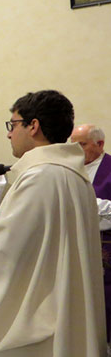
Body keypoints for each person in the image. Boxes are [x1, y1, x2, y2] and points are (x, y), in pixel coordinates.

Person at [0, 91, 107, 357]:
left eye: (13, 123)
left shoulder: (39, 177)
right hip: (65, 304)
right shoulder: (75, 176)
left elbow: (8, 252)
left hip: (37, 329)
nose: (8, 132)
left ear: (33, 126)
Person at [70, 123, 111, 340]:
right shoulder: (66, 170)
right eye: (72, 145)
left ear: (100, 144)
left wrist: (87, 203)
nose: (75, 150)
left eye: (82, 145)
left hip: (104, 251)